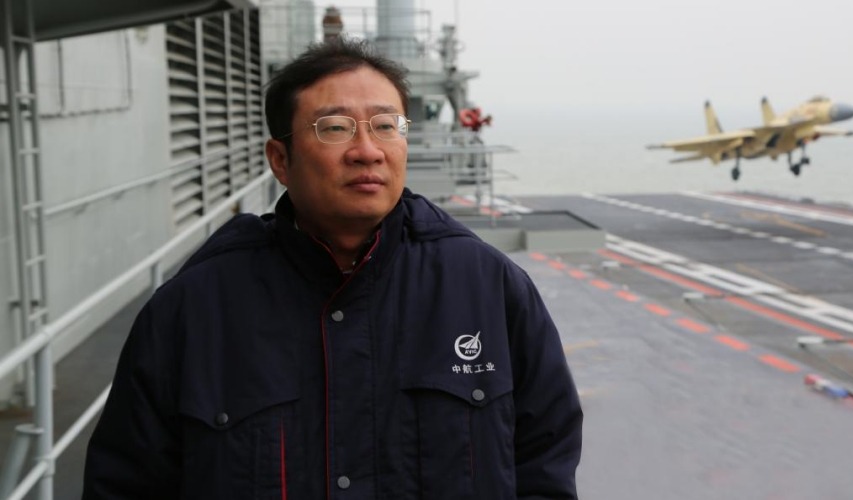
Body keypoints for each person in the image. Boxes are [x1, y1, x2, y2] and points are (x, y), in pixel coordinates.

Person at [83, 38, 583, 499]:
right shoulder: (193, 308)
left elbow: (545, 461)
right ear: (281, 160)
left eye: (386, 125)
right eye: (336, 128)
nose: (367, 151)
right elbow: (126, 483)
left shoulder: (488, 287)